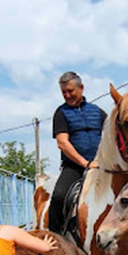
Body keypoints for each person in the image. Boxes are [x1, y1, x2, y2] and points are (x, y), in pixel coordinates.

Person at [49, 71, 108, 234]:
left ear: (81, 88)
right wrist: (85, 163)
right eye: (64, 92)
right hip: (74, 167)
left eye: (70, 91)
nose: (67, 95)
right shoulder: (61, 113)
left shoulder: (97, 111)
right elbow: (62, 143)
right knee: (59, 197)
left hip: (100, 165)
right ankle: (55, 238)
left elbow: (113, 132)